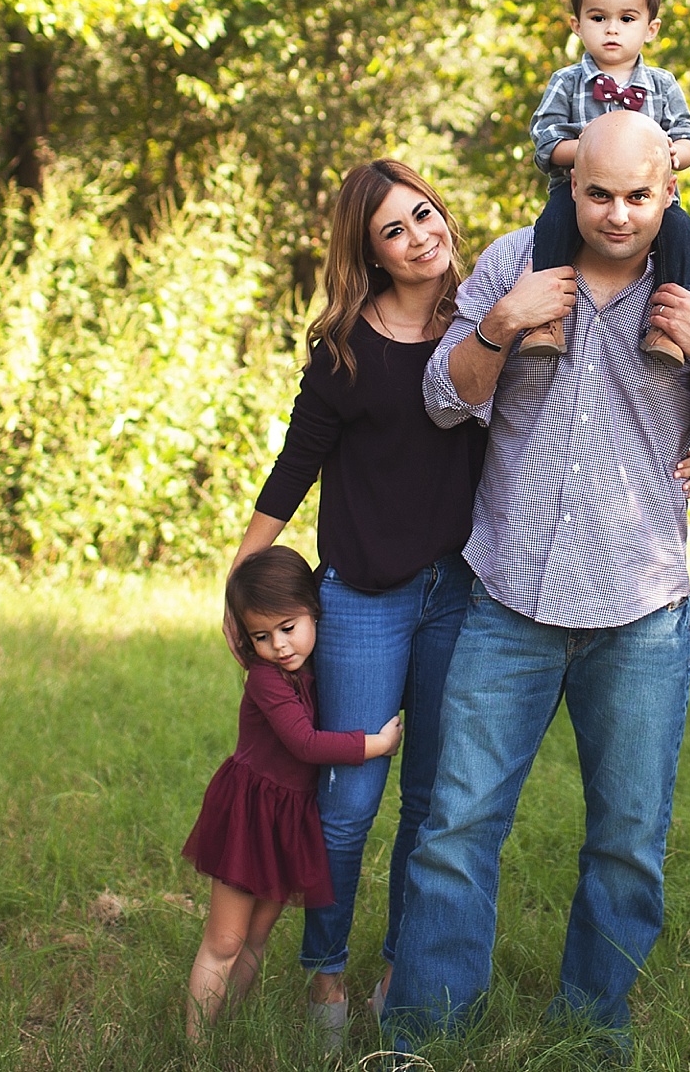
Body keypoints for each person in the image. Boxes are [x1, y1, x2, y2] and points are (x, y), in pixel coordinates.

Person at [383, 109, 690, 1054]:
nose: (618, 213)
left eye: (639, 196)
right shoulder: (514, 265)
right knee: (454, 828)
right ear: (571, 187)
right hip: (508, 596)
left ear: (668, 193)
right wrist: (501, 323)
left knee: (627, 843)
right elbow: (444, 399)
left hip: (640, 613)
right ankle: (429, 1036)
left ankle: (592, 1035)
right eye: (597, 193)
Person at [225, 160, 488, 1044]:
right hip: (365, 598)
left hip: (460, 594)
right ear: (369, 254)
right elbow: (295, 465)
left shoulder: (487, 324)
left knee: (432, 803)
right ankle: (326, 978)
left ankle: (399, 973)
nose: (421, 237)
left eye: (425, 215)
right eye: (394, 231)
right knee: (347, 805)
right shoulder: (343, 348)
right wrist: (240, 581)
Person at [181, 547, 402, 1041]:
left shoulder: (315, 669)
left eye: (288, 627)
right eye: (262, 636)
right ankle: (194, 1048)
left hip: (288, 817)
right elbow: (304, 743)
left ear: (313, 611)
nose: (279, 645)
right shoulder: (265, 680)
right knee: (225, 940)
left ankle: (224, 1033)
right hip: (251, 814)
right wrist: (376, 745)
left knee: (256, 939)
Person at [521, 0, 690, 363]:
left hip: (649, 202)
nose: (611, 29)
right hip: (578, 196)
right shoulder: (567, 82)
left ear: (650, 28)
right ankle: (545, 320)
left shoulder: (662, 84)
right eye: (598, 17)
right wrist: (591, 148)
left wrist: (678, 152)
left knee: (684, 234)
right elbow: (545, 142)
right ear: (577, 25)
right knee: (552, 227)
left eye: (626, 18)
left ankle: (667, 327)